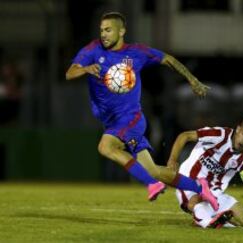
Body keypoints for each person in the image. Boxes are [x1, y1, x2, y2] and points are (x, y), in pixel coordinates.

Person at [65, 12, 219, 210]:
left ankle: (152, 185)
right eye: (102, 30)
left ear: (121, 31)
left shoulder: (137, 52)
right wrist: (85, 69)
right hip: (112, 122)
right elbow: (70, 73)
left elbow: (168, 59)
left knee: (106, 147)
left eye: (108, 30)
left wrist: (193, 80)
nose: (103, 34)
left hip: (130, 119)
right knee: (153, 170)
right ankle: (199, 186)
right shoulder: (93, 50)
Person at [167, 116, 243, 228]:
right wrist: (172, 159)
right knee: (194, 204)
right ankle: (205, 218)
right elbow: (185, 136)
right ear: (238, 129)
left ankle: (214, 219)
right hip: (189, 183)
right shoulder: (219, 134)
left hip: (214, 194)